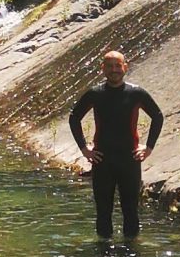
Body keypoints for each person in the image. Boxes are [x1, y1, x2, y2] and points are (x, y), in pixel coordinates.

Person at [68, 49, 164, 241]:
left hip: (129, 160)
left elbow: (157, 116)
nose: (114, 70)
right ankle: (103, 252)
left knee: (131, 211)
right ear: (102, 69)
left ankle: (131, 254)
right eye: (110, 66)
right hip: (102, 161)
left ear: (125, 67)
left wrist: (149, 147)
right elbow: (74, 118)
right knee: (103, 211)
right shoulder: (95, 94)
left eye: (118, 66)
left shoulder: (136, 93)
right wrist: (84, 149)